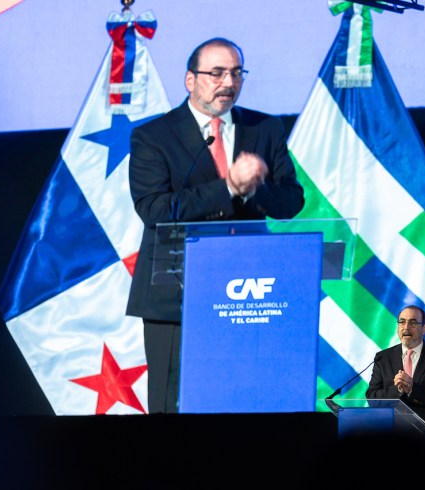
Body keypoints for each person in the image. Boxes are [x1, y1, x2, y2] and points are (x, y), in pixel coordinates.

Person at [126, 37, 305, 414]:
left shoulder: (264, 128)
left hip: (250, 294)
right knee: (170, 406)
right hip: (175, 294)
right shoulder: (153, 136)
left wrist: (255, 187)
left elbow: (291, 203)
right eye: (217, 73)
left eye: (237, 73)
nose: (229, 82)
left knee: (245, 401)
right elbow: (154, 209)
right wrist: (227, 188)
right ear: (190, 80)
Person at [365, 305, 425, 442]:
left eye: (413, 323)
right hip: (391, 437)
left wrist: (413, 389)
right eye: (402, 322)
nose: (406, 327)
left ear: (424, 328)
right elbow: (372, 398)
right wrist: (398, 389)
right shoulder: (383, 358)